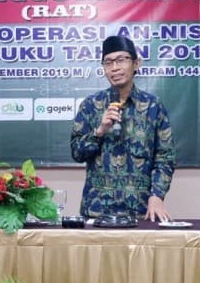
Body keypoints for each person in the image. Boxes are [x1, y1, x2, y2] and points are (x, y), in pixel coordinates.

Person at [70, 35, 176, 222]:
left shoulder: (153, 106)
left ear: (136, 64)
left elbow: (165, 158)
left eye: (121, 60)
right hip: (97, 212)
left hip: (140, 212)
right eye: (108, 62)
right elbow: (77, 153)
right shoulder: (91, 105)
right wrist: (99, 131)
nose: (115, 68)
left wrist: (157, 196)